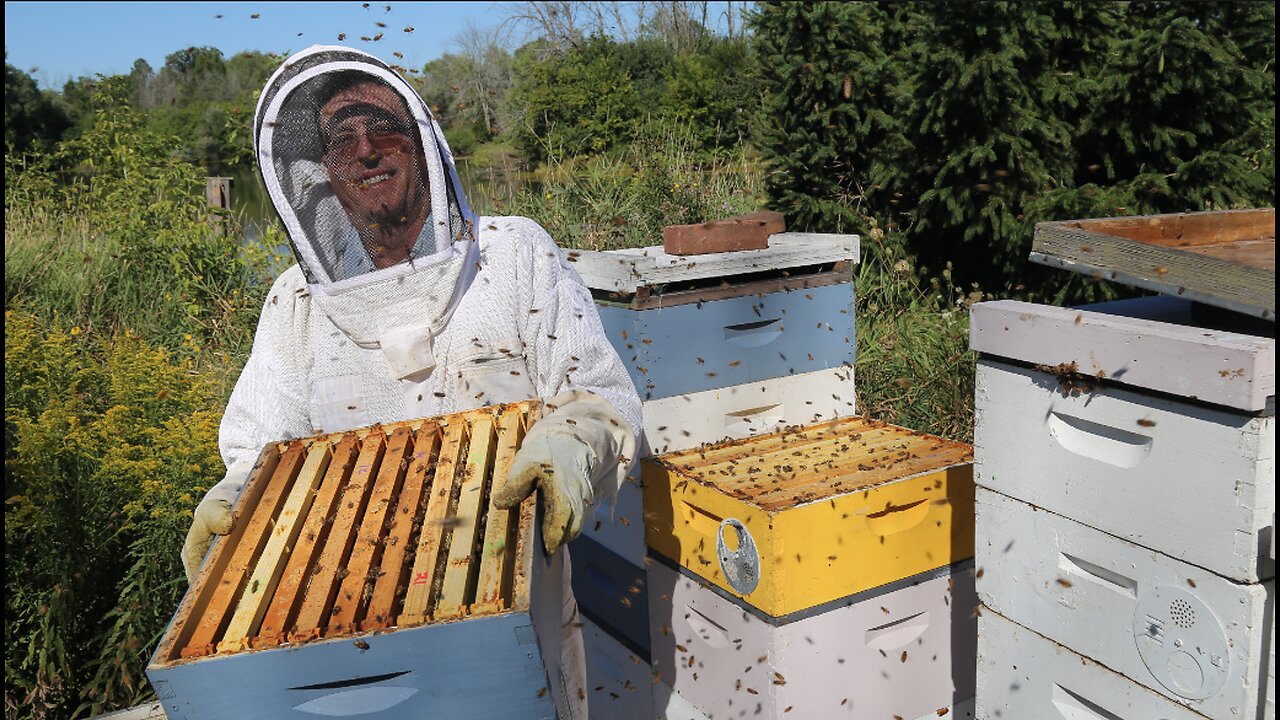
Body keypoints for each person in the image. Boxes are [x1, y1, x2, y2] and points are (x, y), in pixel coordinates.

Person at [180, 45, 641, 719]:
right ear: (319, 171)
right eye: (341, 141)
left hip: (519, 608)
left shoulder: (512, 256)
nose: (366, 151)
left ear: (424, 142)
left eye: (385, 128)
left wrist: (575, 439)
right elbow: (263, 448)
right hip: (353, 619)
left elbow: (600, 393)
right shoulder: (294, 305)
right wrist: (240, 493)